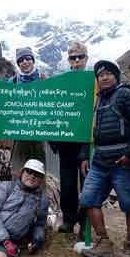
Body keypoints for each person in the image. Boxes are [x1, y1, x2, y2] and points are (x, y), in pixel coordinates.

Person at [78, 60, 130, 257]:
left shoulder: (126, 95)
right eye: (100, 75)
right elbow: (90, 131)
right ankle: (104, 242)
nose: (104, 77)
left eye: (108, 74)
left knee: (128, 203)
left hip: (122, 161)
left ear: (116, 76)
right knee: (88, 199)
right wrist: (83, 156)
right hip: (99, 161)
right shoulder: (97, 101)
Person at [53, 41, 89, 235]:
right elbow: (54, 109)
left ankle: (85, 223)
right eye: (72, 58)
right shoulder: (63, 82)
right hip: (65, 143)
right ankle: (68, 219)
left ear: (86, 59)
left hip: (85, 144)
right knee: (67, 183)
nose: (76, 61)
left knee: (86, 185)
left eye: (79, 57)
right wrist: (53, 140)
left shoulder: (93, 83)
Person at [7, 47, 45, 174]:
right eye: (21, 60)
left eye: (28, 58)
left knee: (39, 171)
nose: (25, 62)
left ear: (33, 60)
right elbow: (2, 103)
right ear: (18, 64)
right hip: (20, 134)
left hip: (39, 134)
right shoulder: (12, 82)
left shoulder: (44, 79)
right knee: (18, 170)